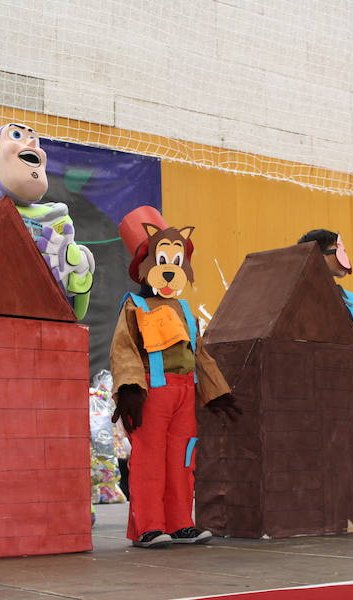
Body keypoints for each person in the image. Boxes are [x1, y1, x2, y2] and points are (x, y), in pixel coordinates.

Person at [110, 206, 241, 548]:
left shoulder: (184, 310)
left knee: (183, 459)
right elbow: (123, 350)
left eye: (176, 261)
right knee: (149, 460)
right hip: (152, 393)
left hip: (185, 395)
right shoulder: (133, 307)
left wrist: (218, 392)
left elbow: (200, 355)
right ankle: (148, 526)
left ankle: (181, 521)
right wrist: (129, 389)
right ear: (144, 266)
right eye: (162, 259)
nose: (169, 271)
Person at [297, 230, 353, 416]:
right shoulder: (297, 296)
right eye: (336, 251)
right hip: (310, 385)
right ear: (316, 256)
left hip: (348, 382)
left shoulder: (352, 301)